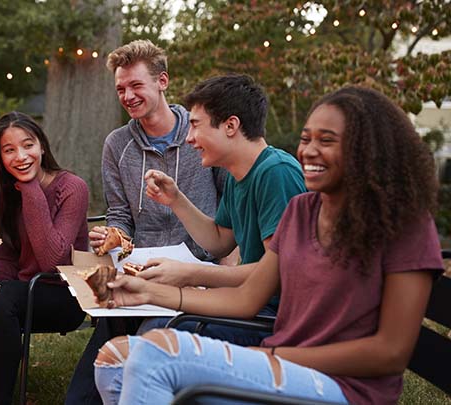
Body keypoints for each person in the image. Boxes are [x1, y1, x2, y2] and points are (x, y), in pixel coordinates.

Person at [94, 86, 443, 405]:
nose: (308, 150)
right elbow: (247, 299)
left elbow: (391, 352)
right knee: (113, 362)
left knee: (157, 354)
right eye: (306, 138)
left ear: (366, 148)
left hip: (344, 387)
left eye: (327, 140)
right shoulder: (302, 211)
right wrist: (146, 293)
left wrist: (276, 357)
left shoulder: (406, 224)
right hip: (279, 363)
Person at [67, 39, 229, 405]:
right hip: (141, 268)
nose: (127, 95)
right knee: (94, 366)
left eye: (136, 85)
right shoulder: (117, 144)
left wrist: (220, 265)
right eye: (120, 88)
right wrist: (114, 235)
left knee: (142, 350)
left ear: (162, 81)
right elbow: (121, 215)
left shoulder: (201, 134)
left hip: (197, 271)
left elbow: (227, 210)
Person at [134, 74, 306, 340]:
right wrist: (176, 199)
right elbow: (218, 242)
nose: (189, 138)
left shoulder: (275, 172)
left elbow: (279, 273)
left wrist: (191, 274)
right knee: (148, 318)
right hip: (248, 304)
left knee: (162, 328)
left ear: (230, 125)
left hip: (274, 319)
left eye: (195, 126)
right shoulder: (239, 175)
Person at [0, 111, 88, 405]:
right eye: (9, 150)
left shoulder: (71, 187)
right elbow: (11, 265)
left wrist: (30, 187)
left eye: (28, 145)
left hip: (64, 293)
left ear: (42, 145)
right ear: (0, 158)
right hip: (19, 291)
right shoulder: (8, 195)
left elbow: (53, 261)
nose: (21, 156)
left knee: (1, 297)